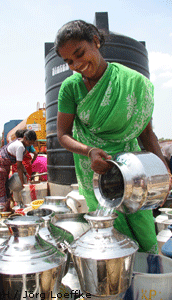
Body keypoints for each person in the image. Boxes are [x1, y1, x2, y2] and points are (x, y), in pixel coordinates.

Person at [54, 20, 171, 254]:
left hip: (132, 169)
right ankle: (120, 280)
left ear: (95, 42)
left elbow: (146, 133)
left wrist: (165, 172)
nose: (76, 65)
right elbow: (63, 135)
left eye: (79, 54)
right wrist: (89, 151)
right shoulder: (70, 88)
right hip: (95, 169)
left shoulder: (133, 82)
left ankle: (147, 279)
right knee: (110, 231)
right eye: (68, 61)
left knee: (142, 224)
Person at [0, 129, 37, 213]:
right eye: (29, 143)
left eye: (32, 143)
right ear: (24, 138)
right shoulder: (20, 146)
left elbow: (21, 166)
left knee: (5, 188)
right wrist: (22, 183)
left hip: (2, 166)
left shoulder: (19, 142)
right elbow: (18, 166)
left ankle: (6, 211)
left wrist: (25, 172)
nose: (30, 145)